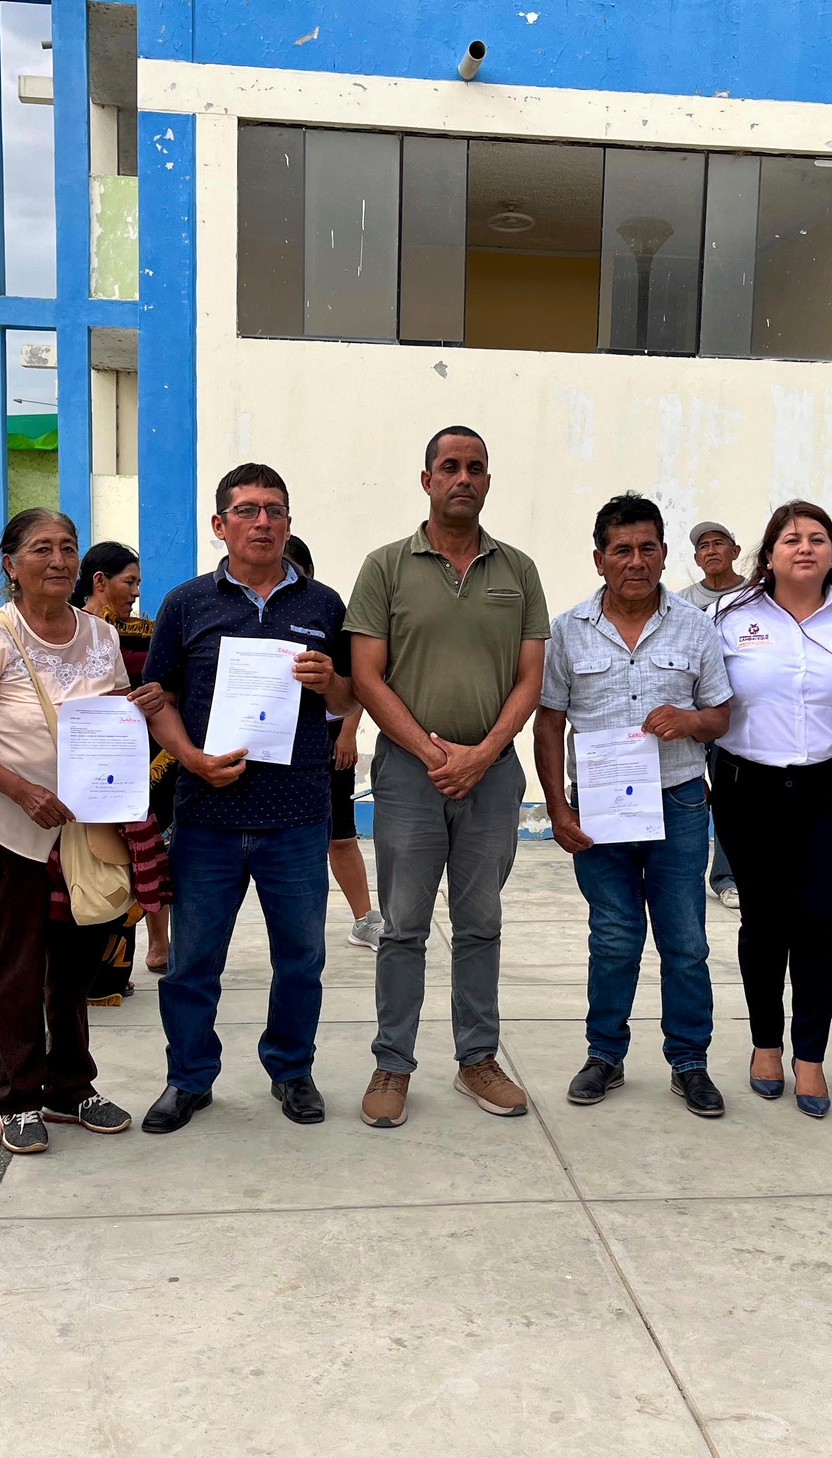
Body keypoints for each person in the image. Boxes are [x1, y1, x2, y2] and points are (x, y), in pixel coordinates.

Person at [138, 466, 355, 1133]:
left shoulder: (323, 605)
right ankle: (189, 1078)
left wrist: (330, 685)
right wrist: (193, 760)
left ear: (289, 523)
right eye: (248, 510)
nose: (263, 521)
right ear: (220, 524)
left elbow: (352, 700)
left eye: (275, 510)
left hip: (296, 816)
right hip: (208, 818)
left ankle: (291, 1070)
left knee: (301, 959)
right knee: (193, 961)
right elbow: (158, 700)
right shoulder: (186, 604)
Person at [346, 426, 548, 1128]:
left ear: (488, 482)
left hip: (491, 777)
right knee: (402, 925)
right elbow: (367, 677)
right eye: (450, 467)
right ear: (426, 478)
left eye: (477, 468)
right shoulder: (385, 567)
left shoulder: (517, 571)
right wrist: (435, 756)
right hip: (408, 775)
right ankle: (392, 1064)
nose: (464, 478)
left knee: (480, 923)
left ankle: (477, 1061)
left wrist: (483, 752)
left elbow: (531, 677)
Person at [0, 509, 137, 1156]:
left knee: (77, 968)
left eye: (68, 547)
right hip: (14, 831)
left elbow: (112, 720)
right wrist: (22, 790)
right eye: (42, 548)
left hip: (87, 830)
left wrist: (139, 714)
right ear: (10, 563)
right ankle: (19, 1097)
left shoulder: (101, 637)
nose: (58, 560)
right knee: (18, 965)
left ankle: (72, 1088)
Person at [536, 496, 732, 1116]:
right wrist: (555, 807)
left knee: (685, 942)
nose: (636, 561)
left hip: (677, 803)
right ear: (599, 559)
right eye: (622, 549)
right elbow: (548, 724)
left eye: (648, 548)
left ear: (665, 554)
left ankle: (690, 1062)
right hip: (598, 809)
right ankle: (605, 1055)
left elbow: (722, 716)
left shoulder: (696, 627)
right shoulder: (568, 631)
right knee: (615, 937)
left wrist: (691, 719)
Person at [710, 501, 832, 1116]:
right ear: (768, 555)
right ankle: (766, 1043)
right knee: (762, 921)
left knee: (818, 922)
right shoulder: (728, 617)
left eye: (818, 539)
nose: (806, 548)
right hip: (747, 786)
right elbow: (703, 697)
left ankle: (810, 1056)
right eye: (791, 539)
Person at [77, 540, 175, 972]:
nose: (136, 591)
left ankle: (155, 945)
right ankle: (102, 963)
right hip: (92, 761)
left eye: (138, 582)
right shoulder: (74, 630)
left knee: (150, 850)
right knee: (100, 856)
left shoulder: (143, 630)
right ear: (100, 581)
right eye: (129, 581)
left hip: (146, 758)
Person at [285, 536, 383, 951]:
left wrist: (346, 732)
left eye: (292, 570)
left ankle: (364, 919)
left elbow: (355, 680)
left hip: (328, 737)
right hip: (276, 741)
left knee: (340, 835)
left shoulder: (325, 610)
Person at [678, 521, 746, 909]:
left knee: (728, 797)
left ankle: (726, 877)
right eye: (703, 546)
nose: (711, 551)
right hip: (690, 714)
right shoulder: (683, 602)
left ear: (735, 551)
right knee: (686, 791)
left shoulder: (756, 597)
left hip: (733, 715)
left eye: (719, 543)